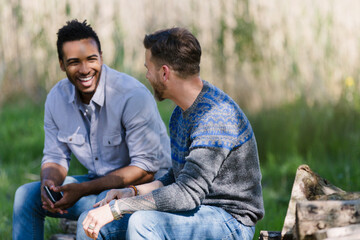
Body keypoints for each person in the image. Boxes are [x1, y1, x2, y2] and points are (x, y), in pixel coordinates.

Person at [77, 27, 264, 240]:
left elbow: (187, 194)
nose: (146, 75)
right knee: (90, 220)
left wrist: (119, 208)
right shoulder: (180, 114)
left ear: (164, 72)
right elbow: (176, 177)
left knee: (143, 223)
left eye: (148, 69)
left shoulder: (215, 116)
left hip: (230, 221)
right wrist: (132, 192)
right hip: (195, 211)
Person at [12, 19, 171, 240]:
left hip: (143, 192)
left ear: (102, 57)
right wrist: (49, 181)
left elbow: (146, 169)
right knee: (25, 197)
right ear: (61, 64)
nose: (85, 69)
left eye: (91, 59)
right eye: (74, 62)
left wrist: (83, 189)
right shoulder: (57, 98)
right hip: (97, 187)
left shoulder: (131, 96)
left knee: (90, 219)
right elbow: (55, 156)